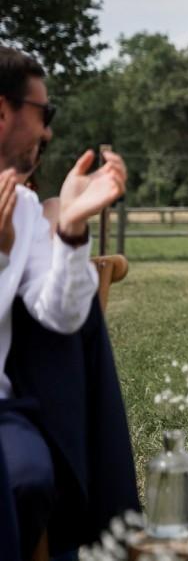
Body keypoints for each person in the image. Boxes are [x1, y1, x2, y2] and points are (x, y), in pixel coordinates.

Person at [0, 46, 129, 555]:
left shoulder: (27, 207)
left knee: (27, 477)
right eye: (43, 113)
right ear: (4, 110)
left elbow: (60, 315)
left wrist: (72, 229)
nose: (49, 130)